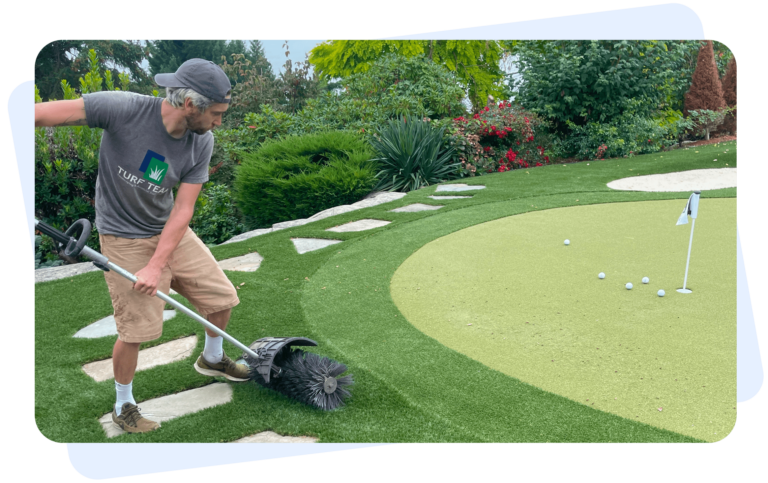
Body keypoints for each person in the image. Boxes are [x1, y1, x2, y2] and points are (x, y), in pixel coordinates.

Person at [34, 58, 250, 434]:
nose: (219, 122)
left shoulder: (202, 141)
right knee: (136, 330)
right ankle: (124, 404)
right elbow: (39, 115)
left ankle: (212, 359)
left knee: (221, 299)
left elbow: (183, 208)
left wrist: (158, 263)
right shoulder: (123, 108)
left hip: (168, 230)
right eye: (215, 113)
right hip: (122, 237)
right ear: (190, 105)